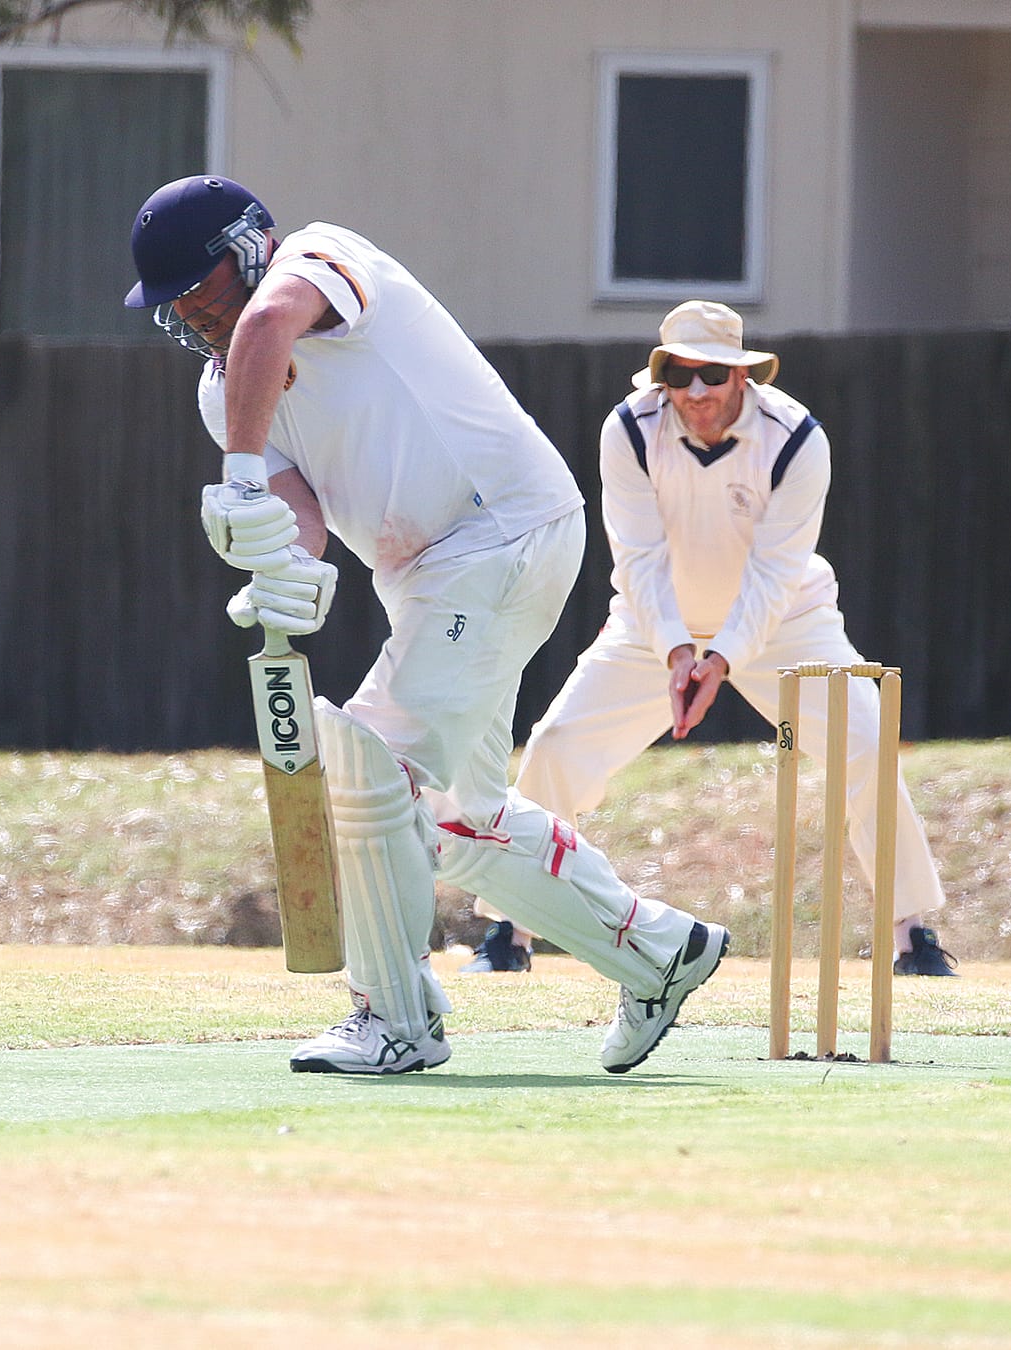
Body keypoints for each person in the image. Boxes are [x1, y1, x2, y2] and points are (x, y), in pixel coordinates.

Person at [123, 174, 731, 1076]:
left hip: (498, 531)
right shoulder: (226, 396)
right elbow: (303, 521)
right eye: (170, 304)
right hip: (435, 578)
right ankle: (655, 951)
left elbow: (263, 326)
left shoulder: (322, 258)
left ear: (247, 250)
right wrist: (279, 566)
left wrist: (239, 476)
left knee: (372, 762)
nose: (188, 314)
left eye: (197, 288)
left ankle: (393, 1017)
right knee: (457, 820)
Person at [508, 300, 956, 979]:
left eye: (710, 375)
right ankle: (510, 934)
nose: (694, 393)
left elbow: (775, 573)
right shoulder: (629, 429)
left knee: (864, 740)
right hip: (652, 624)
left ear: (742, 376)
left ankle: (911, 936)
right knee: (555, 746)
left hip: (787, 623)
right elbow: (639, 558)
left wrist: (720, 659)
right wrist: (679, 651)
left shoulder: (797, 437)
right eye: (678, 375)